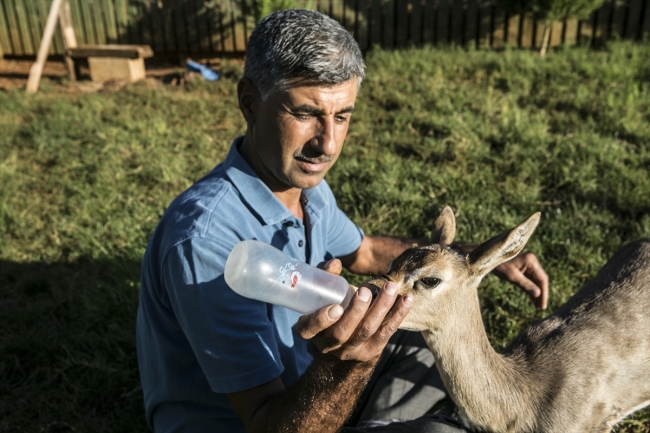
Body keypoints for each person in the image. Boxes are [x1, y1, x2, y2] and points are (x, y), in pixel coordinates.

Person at [136, 9, 549, 433]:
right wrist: (348, 360)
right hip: (261, 421)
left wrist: (464, 259)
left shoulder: (303, 185)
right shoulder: (205, 243)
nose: (326, 144)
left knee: (429, 335)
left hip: (310, 388)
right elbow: (267, 425)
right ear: (249, 102)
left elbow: (365, 251)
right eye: (305, 114)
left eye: (342, 116)